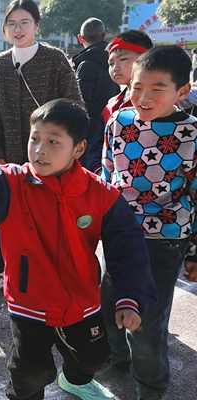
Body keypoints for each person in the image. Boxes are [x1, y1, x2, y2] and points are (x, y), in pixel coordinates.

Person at [0, 98, 157, 400]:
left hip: (82, 299)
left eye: (53, 141)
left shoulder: (101, 195)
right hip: (29, 302)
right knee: (29, 372)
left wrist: (130, 297)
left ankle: (75, 380)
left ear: (79, 149)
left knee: (94, 356)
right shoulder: (10, 184)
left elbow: (127, 248)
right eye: (35, 139)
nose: (40, 149)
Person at [98, 45, 197, 400]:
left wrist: (194, 252)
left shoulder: (191, 133)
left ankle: (151, 388)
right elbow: (107, 175)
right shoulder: (118, 121)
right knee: (109, 302)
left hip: (165, 238)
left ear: (182, 90)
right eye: (137, 87)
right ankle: (118, 357)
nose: (144, 97)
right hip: (119, 232)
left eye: (158, 89)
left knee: (147, 320)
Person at [0, 0, 83, 298]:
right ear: (4, 29)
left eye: (24, 22)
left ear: (37, 25)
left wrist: (62, 149)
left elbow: (74, 106)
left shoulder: (55, 59)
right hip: (10, 155)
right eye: (11, 24)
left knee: (48, 215)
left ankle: (50, 272)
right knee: (0, 212)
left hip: (50, 157)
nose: (18, 29)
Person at [85, 30, 153, 173]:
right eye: (111, 63)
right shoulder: (111, 105)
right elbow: (97, 144)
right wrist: (99, 171)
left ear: (146, 58)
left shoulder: (161, 103)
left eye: (123, 59)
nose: (115, 67)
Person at [71, 18, 120, 168]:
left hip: (89, 131)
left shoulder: (86, 66)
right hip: (111, 125)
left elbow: (81, 102)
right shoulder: (115, 63)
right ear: (104, 36)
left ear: (80, 38)